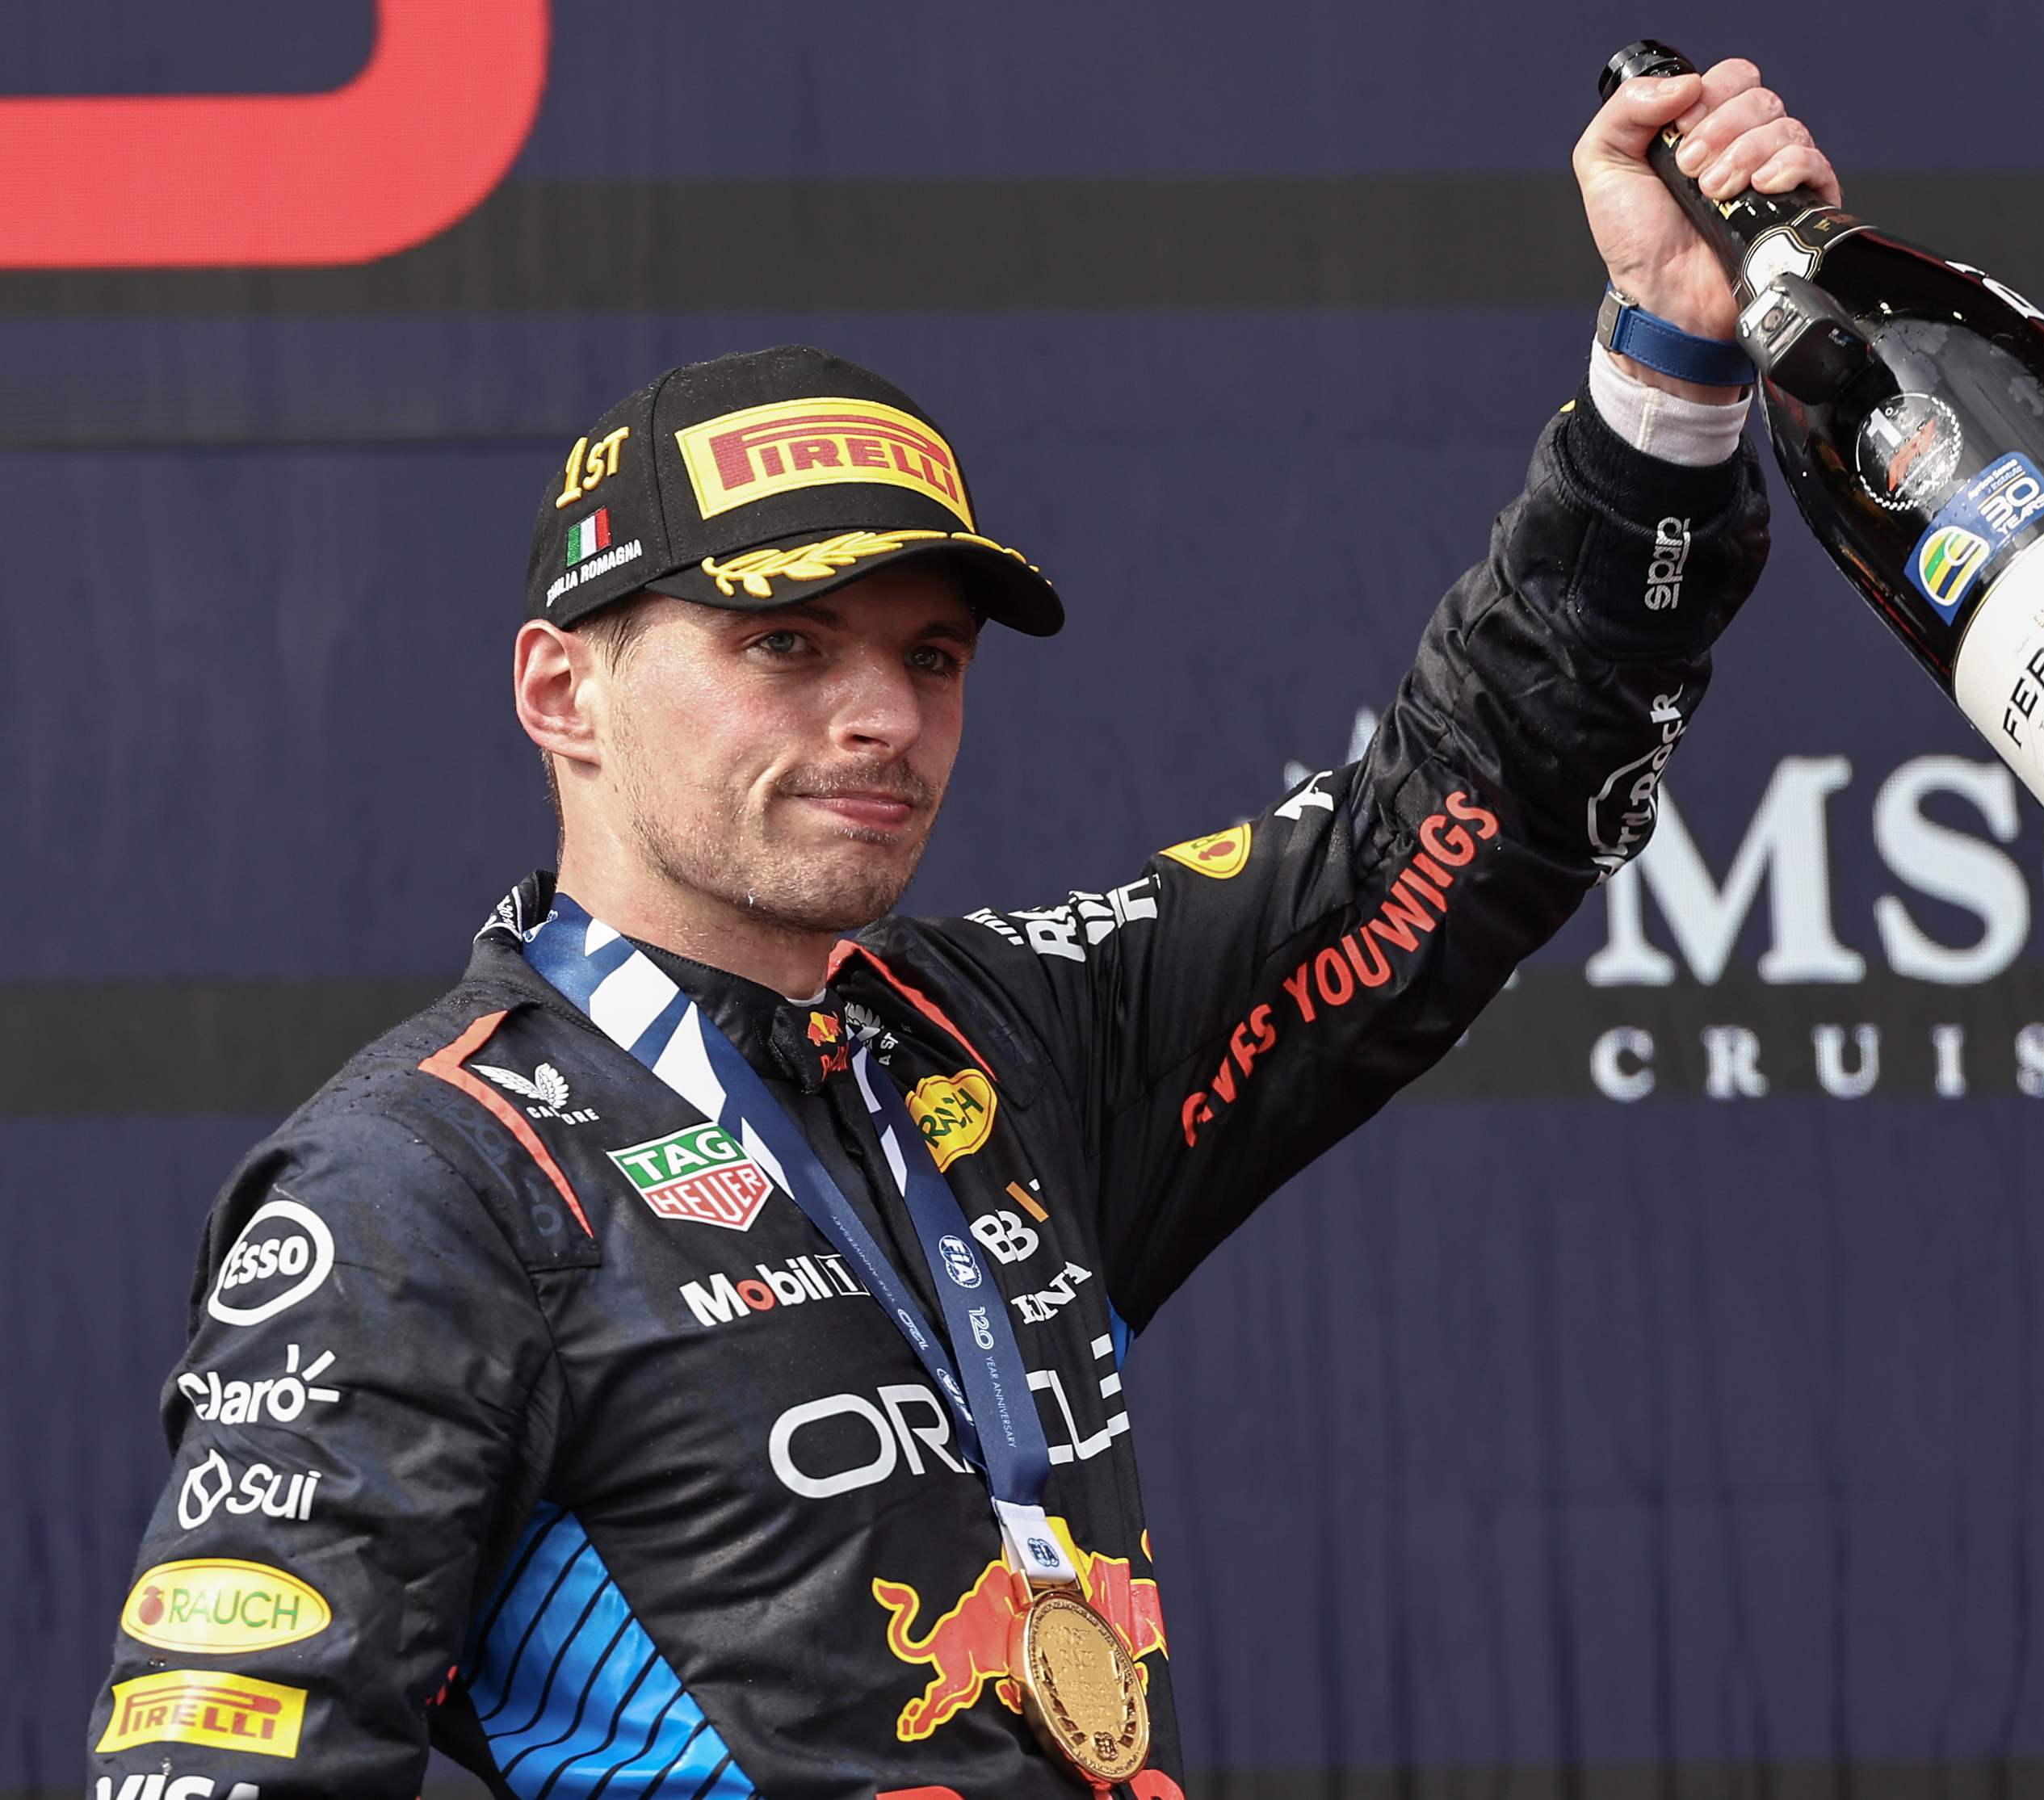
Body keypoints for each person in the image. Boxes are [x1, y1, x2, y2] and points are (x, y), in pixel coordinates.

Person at [87, 58, 1836, 1800]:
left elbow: (1460, 807)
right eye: (788, 642)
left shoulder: (1008, 1040)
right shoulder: (421, 1183)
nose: (884, 717)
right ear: (565, 689)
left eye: (931, 653)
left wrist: (1670, 367)